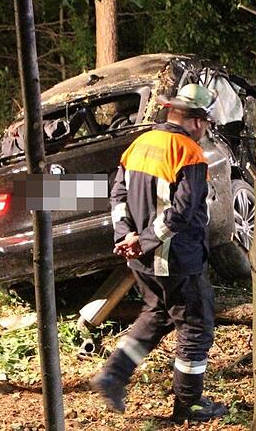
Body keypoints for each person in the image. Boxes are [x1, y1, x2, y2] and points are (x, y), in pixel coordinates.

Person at [89, 83, 228, 423]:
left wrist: (126, 236)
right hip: (176, 259)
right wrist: (145, 240)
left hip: (143, 261)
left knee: (157, 314)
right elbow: (181, 212)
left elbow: (117, 196)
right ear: (197, 121)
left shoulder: (140, 145)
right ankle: (189, 404)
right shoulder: (189, 153)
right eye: (207, 123)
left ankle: (112, 375)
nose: (206, 130)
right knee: (195, 327)